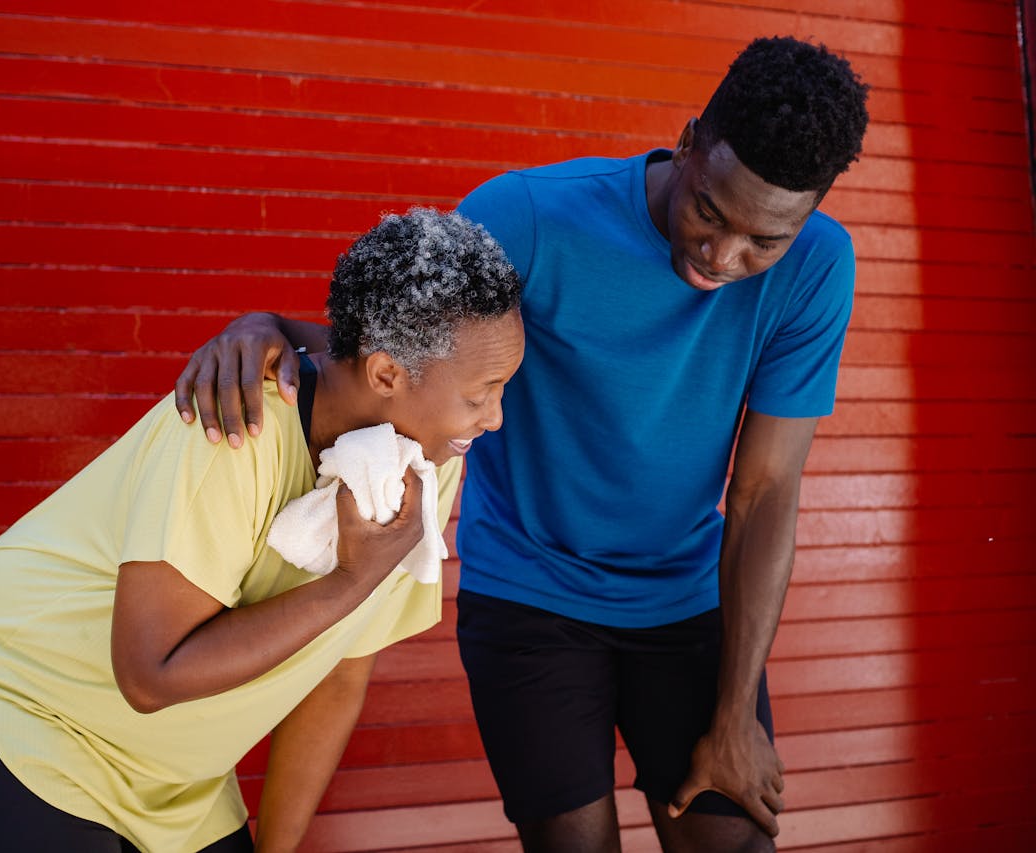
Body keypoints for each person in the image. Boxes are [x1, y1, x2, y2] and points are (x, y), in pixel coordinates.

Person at [173, 37, 870, 853]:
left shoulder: (821, 268)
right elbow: (402, 357)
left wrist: (735, 711)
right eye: (709, 212)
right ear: (687, 144)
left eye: (765, 243)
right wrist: (268, 328)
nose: (721, 257)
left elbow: (762, 494)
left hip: (684, 600)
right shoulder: (530, 218)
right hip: (531, 593)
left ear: (808, 220)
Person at [0, 208, 525, 853]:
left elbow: (336, 675)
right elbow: (150, 676)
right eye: (481, 395)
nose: (495, 418)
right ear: (388, 374)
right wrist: (354, 577)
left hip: (176, 786)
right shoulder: (234, 426)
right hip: (24, 714)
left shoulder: (419, 461)